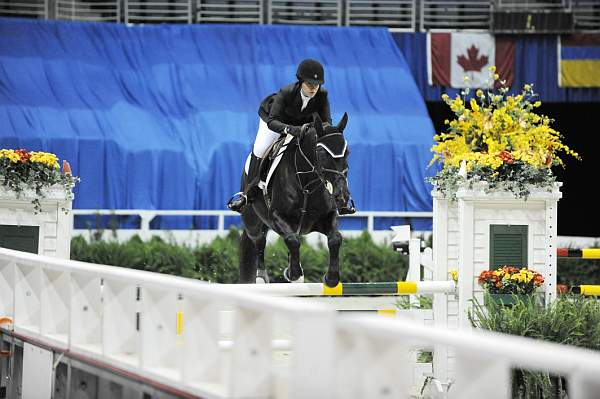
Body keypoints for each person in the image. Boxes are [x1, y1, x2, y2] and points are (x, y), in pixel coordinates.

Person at [227, 59, 355, 215]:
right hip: (275, 122)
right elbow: (273, 121)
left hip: (302, 126)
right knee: (260, 148)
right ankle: (247, 193)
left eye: (317, 84)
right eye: (309, 84)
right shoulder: (286, 93)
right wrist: (290, 129)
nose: (314, 88)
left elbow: (325, 123)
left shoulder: (322, 95)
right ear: (301, 81)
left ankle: (340, 197)